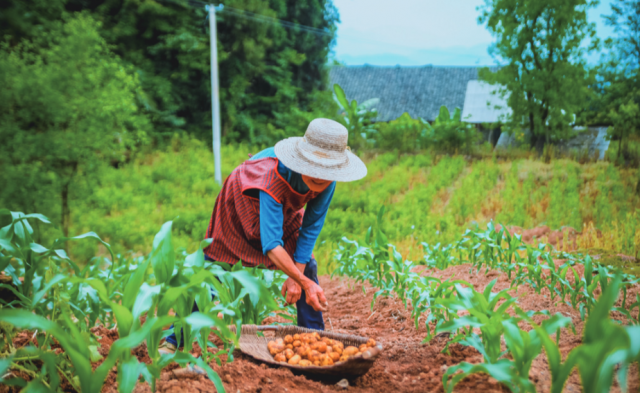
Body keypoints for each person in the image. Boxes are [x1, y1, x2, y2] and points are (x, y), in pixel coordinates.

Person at [159, 118, 367, 354]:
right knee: (214, 268)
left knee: (306, 264)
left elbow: (310, 228)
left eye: (325, 173)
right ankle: (175, 340)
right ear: (302, 159)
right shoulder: (272, 175)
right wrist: (303, 282)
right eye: (313, 169)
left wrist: (298, 277)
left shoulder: (327, 180)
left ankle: (314, 339)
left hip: (283, 208)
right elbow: (271, 245)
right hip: (241, 205)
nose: (319, 179)